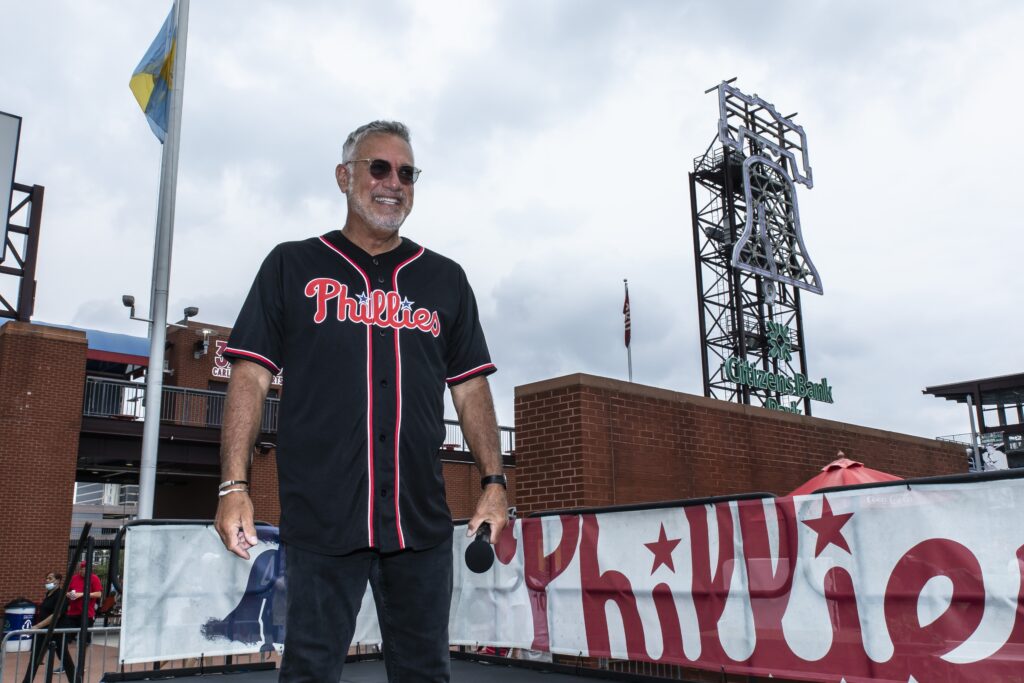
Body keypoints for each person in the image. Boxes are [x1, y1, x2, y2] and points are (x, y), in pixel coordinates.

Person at [214, 120, 507, 683]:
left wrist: (494, 484)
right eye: (379, 167)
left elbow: (470, 386)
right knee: (310, 673)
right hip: (324, 521)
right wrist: (233, 486)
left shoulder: (445, 279)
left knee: (425, 673)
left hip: (417, 523)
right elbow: (249, 377)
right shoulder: (291, 265)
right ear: (345, 176)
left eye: (407, 172)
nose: (393, 182)